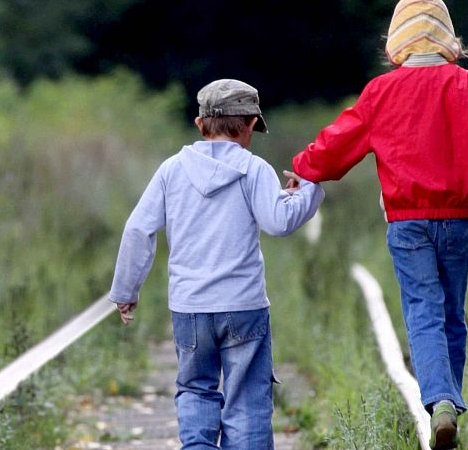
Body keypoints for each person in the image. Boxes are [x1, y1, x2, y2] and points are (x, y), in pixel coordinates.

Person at [289, 1, 468, 449]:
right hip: (458, 224)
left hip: (407, 223)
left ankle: (439, 402)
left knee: (423, 313)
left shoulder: (381, 92)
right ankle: (448, 404)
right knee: (452, 316)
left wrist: (303, 168)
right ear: (447, 39)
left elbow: (338, 144)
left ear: (397, 42)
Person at [108, 78, 325, 450]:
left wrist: (126, 290)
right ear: (252, 124)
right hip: (244, 306)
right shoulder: (254, 169)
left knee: (195, 389)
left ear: (200, 123)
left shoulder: (171, 170)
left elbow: (138, 229)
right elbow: (278, 221)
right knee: (248, 399)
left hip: (190, 308)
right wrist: (308, 189)